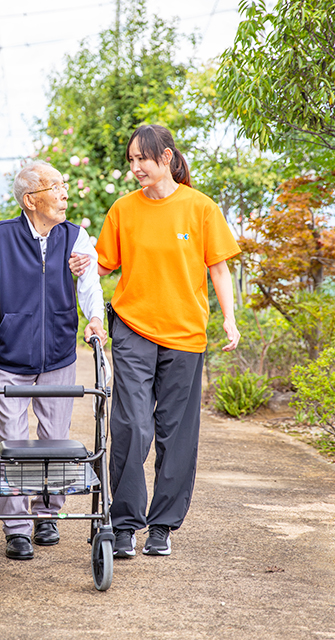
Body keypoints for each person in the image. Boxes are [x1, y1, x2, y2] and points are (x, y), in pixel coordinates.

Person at [71, 124, 240, 559]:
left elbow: (219, 269)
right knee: (131, 425)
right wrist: (82, 262)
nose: (135, 168)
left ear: (165, 158)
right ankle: (125, 524)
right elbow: (104, 264)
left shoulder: (200, 208)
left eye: (141, 159)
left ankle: (162, 526)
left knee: (176, 433)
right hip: (133, 327)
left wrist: (230, 321)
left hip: (186, 334)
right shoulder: (123, 210)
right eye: (130, 161)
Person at [0, 160, 107, 561]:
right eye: (55, 187)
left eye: (63, 185)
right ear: (30, 200)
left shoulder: (75, 238)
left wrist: (95, 318)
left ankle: (47, 514)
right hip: (9, 358)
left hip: (58, 354)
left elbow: (91, 287)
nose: (64, 194)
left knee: (56, 441)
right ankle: (17, 528)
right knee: (12, 444)